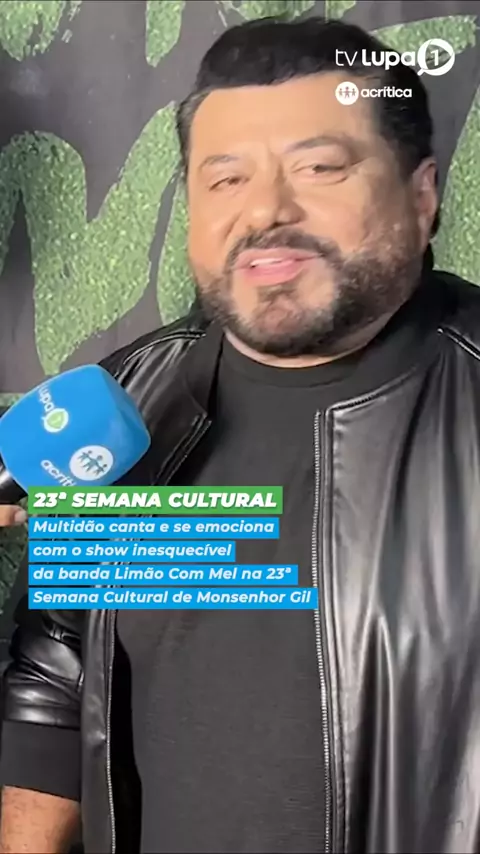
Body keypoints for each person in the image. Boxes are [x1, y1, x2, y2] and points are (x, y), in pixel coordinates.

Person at [0, 14, 479, 854]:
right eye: (225, 179)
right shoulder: (132, 399)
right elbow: (59, 678)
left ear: (422, 194)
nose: (265, 210)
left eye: (319, 167)